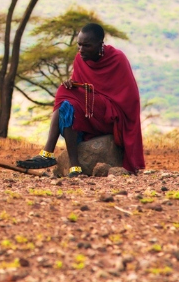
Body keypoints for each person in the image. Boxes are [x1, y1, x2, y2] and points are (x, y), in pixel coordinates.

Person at [15, 23, 145, 177]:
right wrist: (72, 84)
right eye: (79, 45)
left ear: (100, 44)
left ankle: (47, 153)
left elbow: (130, 100)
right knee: (67, 104)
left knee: (64, 92)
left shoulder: (117, 59)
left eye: (86, 46)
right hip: (91, 110)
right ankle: (74, 167)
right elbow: (80, 88)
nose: (81, 49)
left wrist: (83, 91)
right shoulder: (80, 59)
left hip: (113, 114)